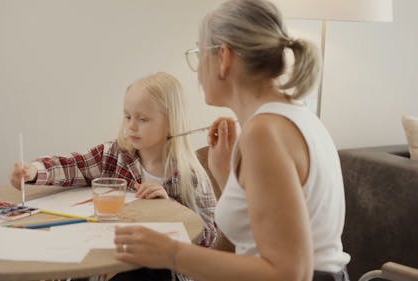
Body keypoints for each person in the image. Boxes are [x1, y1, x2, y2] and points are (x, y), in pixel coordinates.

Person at [113, 1, 351, 281]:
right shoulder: (293, 117)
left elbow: (290, 273)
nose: (199, 70)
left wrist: (170, 252)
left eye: (199, 55)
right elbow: (261, 229)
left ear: (223, 57)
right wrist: (226, 174)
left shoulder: (265, 132)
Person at [10, 72, 217, 281]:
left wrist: (170, 207)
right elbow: (74, 165)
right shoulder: (113, 155)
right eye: (127, 116)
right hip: (107, 258)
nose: (131, 126)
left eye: (142, 119)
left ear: (172, 123)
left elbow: (209, 236)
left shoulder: (191, 175)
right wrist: (34, 171)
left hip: (161, 269)